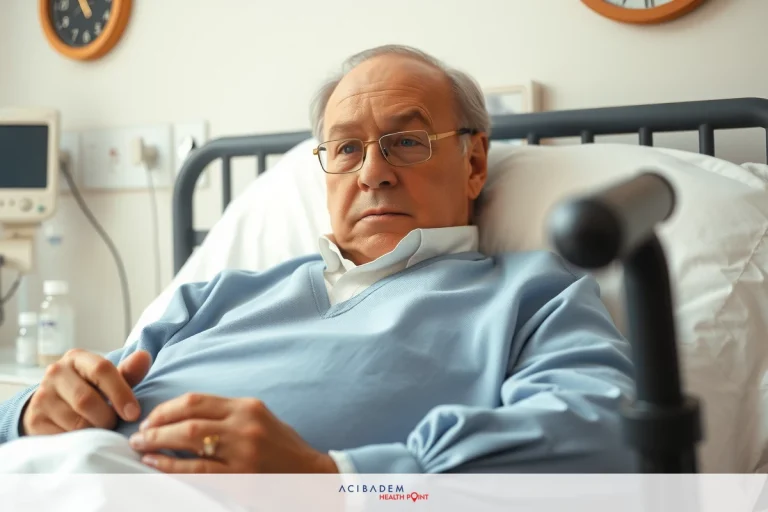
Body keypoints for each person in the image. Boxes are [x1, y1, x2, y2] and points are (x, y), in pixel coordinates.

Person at [0, 45, 636, 474]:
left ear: (473, 163)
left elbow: (596, 436)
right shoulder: (219, 296)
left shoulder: (533, 296)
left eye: (407, 142)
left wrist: (331, 478)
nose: (373, 173)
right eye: (346, 148)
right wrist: (32, 411)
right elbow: (76, 398)